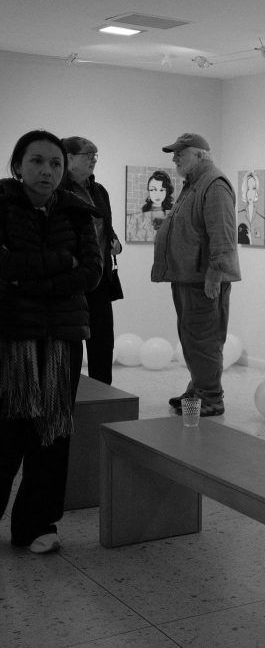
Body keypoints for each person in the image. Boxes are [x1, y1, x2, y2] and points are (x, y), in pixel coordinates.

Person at [0, 129, 102, 553]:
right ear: (18, 165)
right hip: (11, 338)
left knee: (52, 433)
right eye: (37, 161)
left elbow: (93, 273)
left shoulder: (77, 212)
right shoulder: (1, 205)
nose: (47, 170)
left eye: (56, 163)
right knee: (6, 432)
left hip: (61, 339)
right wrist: (61, 262)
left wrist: (26, 277)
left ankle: (36, 523)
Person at [153, 133, 241, 417]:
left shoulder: (214, 185)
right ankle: (198, 390)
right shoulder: (193, 184)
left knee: (203, 338)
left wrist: (214, 274)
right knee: (192, 336)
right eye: (174, 153)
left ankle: (211, 397)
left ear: (201, 154)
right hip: (188, 276)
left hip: (204, 279)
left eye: (181, 153)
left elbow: (223, 235)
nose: (175, 158)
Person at [62, 136, 123, 385]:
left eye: (95, 155)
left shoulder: (99, 192)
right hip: (71, 281)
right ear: (69, 157)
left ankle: (104, 395)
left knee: (102, 343)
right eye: (88, 155)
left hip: (100, 279)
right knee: (70, 346)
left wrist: (114, 241)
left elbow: (104, 225)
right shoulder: (58, 192)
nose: (93, 160)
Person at [127, 170, 174, 242]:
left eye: (161, 190)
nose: (157, 194)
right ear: (148, 191)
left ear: (167, 191)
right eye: (153, 190)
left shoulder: (172, 211)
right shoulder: (142, 211)